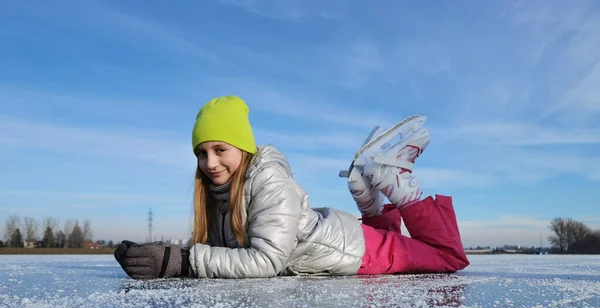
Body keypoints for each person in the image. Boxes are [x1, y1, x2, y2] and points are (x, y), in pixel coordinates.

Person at [114, 96, 469, 279]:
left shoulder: (267, 178)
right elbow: (221, 251)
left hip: (358, 253)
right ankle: (365, 189)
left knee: (447, 257)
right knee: (409, 246)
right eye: (202, 153)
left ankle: (395, 183)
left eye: (220, 150)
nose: (210, 163)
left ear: (244, 149)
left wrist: (182, 262)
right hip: (343, 241)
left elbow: (266, 260)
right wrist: (159, 255)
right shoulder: (216, 192)